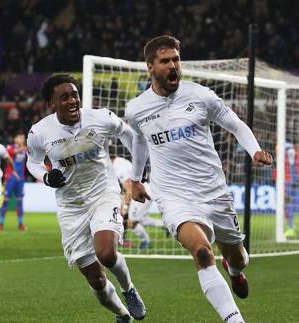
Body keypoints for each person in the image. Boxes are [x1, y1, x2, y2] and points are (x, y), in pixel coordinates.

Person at [126, 36, 273, 323]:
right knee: (202, 252)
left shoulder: (200, 95)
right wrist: (136, 179)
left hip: (213, 191)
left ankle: (234, 270)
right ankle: (235, 320)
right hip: (173, 195)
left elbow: (235, 124)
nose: (173, 66)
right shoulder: (136, 109)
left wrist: (254, 151)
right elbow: (140, 142)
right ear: (150, 67)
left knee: (239, 256)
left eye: (176, 60)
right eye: (166, 61)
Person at [26, 73, 146, 323]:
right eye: (64, 97)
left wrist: (137, 172)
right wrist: (46, 177)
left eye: (75, 95)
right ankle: (121, 314)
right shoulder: (39, 132)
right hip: (71, 207)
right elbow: (33, 162)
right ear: (52, 103)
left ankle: (128, 289)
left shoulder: (100, 117)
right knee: (96, 279)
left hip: (103, 194)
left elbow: (129, 135)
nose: (72, 101)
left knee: (106, 254)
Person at [0, 132, 27, 232]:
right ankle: (0, 224)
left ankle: (21, 224)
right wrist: (22, 148)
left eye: (23, 137)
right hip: (10, 177)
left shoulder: (25, 150)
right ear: (15, 139)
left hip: (20, 179)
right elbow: (10, 153)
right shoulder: (10, 147)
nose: (22, 139)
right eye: (20, 137)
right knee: (5, 200)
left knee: (20, 202)